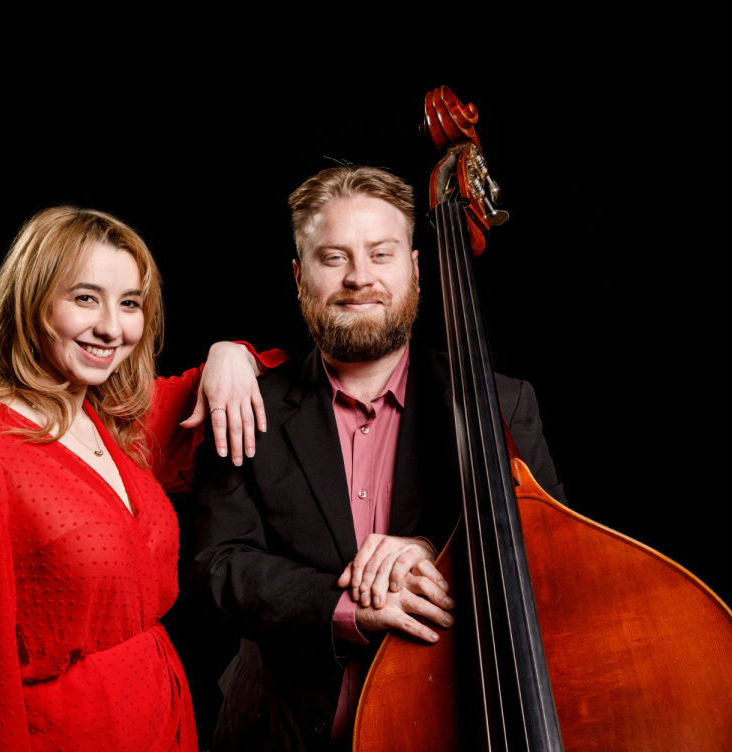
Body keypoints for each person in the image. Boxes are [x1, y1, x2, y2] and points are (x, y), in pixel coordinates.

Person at [193, 166, 566, 751]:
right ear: (298, 277)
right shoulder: (245, 404)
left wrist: (434, 554)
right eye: (333, 257)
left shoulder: (502, 403)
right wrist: (348, 608)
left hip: (453, 723)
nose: (359, 278)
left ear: (416, 268)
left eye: (381, 254)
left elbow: (553, 560)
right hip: (277, 732)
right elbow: (217, 569)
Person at [0, 205, 285, 752]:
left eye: (130, 303)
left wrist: (229, 353)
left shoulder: (114, 422)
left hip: (162, 721)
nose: (112, 327)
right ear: (33, 301)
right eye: (86, 298)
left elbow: (278, 379)